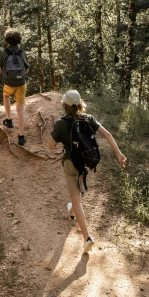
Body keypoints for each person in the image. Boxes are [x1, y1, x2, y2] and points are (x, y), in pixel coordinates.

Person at [48, 90, 126, 254]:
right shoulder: (88, 119)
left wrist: (57, 133)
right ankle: (71, 211)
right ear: (80, 104)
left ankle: (87, 238)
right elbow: (108, 134)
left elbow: (50, 146)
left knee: (77, 200)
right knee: (75, 196)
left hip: (70, 163)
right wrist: (119, 154)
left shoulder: (61, 123)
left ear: (65, 105)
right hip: (85, 162)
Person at [0, 28, 30, 146]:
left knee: (6, 96)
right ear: (19, 40)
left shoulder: (4, 53)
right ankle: (21, 137)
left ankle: (9, 120)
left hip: (8, 83)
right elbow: (26, 70)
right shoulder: (22, 52)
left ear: (7, 40)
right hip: (21, 84)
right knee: (20, 110)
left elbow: (0, 70)